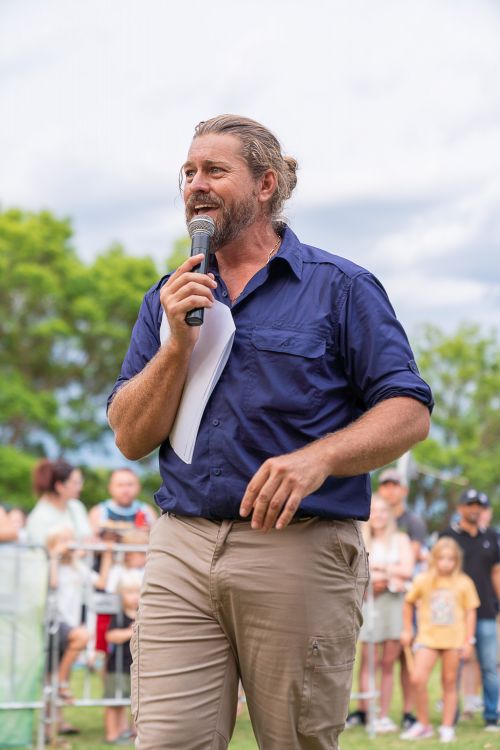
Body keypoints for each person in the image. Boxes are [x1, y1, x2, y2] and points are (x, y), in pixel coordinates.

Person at [107, 114, 433, 749]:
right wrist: (177, 344)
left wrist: (320, 459)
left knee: (296, 741)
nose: (195, 184)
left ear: (267, 183)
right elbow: (129, 437)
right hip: (182, 545)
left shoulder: (341, 288)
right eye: (188, 173)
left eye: (214, 171)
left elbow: (408, 409)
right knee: (167, 741)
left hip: (297, 546)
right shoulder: (169, 298)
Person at [400, 537, 480, 742]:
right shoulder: (423, 579)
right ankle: (423, 724)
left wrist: (468, 641)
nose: (446, 563)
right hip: (427, 638)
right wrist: (407, 630)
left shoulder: (464, 582)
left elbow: (471, 612)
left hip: (454, 640)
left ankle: (447, 727)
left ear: (456, 561)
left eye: (451, 559)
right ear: (434, 559)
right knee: (417, 678)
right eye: (442, 558)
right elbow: (408, 603)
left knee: (450, 682)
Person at [440, 488, 500, 731]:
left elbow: (496, 572)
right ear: (461, 507)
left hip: (485, 611)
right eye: (470, 504)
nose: (475, 509)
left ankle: (491, 715)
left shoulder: (492, 537)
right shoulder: (448, 537)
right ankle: (450, 716)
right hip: (455, 614)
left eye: (479, 505)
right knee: (453, 667)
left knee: (489, 666)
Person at [353, 495, 414, 733]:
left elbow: (407, 570)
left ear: (389, 515)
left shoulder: (400, 540)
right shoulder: (361, 538)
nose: (378, 515)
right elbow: (358, 570)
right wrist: (387, 575)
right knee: (369, 659)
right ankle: (367, 711)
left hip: (393, 604)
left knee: (389, 661)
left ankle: (385, 714)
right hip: (369, 603)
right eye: (373, 510)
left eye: (382, 511)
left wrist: (381, 570)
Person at [46, 525, 113, 734]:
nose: (70, 545)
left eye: (71, 540)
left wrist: (108, 555)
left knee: (53, 672)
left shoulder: (78, 567)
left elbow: (101, 582)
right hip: (53, 623)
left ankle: (56, 725)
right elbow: (53, 583)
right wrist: (54, 558)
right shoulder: (50, 565)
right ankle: (62, 685)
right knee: (80, 639)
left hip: (70, 623)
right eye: (64, 540)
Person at [377, 467, 428, 729]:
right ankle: (370, 711)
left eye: (394, 485)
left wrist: (389, 568)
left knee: (405, 658)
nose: (390, 490)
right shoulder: (374, 518)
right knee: (379, 658)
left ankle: (408, 712)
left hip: (408, 597)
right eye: (385, 485)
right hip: (379, 595)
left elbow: (416, 556)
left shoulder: (413, 522)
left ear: (403, 490)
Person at [104, 569, 142, 744]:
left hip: (138, 668)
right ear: (120, 596)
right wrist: (130, 632)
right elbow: (110, 636)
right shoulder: (118, 616)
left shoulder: (144, 616)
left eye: (138, 592)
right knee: (114, 702)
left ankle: (135, 733)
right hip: (117, 667)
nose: (134, 597)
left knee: (137, 703)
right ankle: (112, 734)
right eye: (129, 593)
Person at [26, 459, 92, 547]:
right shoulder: (39, 517)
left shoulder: (76, 506)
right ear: (60, 486)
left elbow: (87, 536)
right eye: (76, 483)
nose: (80, 488)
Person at [89, 468, 156, 536]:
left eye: (130, 484)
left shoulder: (147, 511)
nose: (125, 490)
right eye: (120, 485)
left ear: (138, 487)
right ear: (110, 488)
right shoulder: (98, 512)